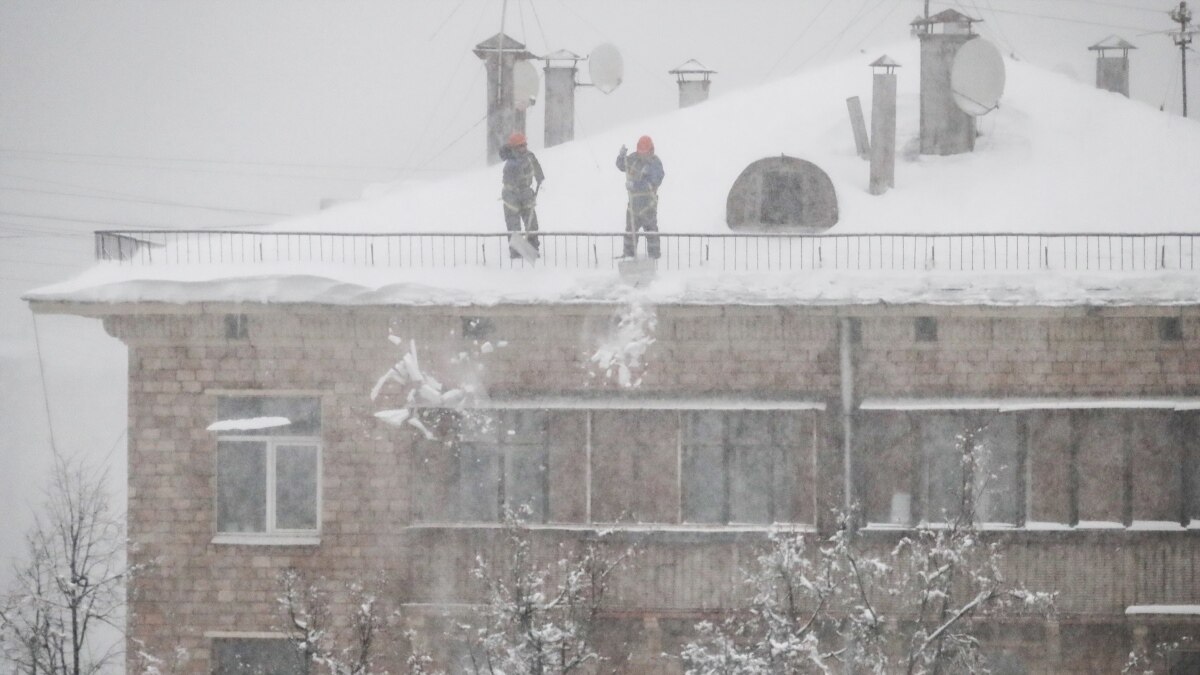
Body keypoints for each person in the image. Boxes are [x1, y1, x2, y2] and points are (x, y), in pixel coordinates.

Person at [616, 135, 665, 259]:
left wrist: (635, 185)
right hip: (633, 207)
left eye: (645, 153)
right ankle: (628, 257)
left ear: (651, 151)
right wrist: (621, 157)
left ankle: (654, 259)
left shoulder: (656, 164)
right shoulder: (634, 158)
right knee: (630, 233)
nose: (642, 156)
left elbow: (653, 182)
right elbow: (622, 165)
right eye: (640, 153)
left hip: (648, 207)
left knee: (652, 233)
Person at [499, 132, 544, 257]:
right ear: (514, 148)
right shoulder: (510, 163)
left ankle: (533, 248)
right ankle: (516, 252)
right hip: (511, 196)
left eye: (524, 144)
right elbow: (512, 178)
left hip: (526, 194)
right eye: (520, 146)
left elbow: (536, 168)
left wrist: (540, 178)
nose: (523, 147)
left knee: (532, 223)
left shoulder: (529, 156)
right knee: (513, 225)